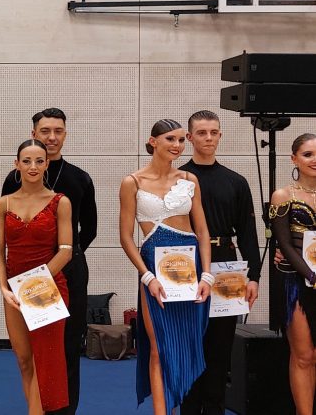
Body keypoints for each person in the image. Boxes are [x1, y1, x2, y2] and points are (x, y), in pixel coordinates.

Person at [0, 108, 96, 414]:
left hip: (68, 270)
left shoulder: (79, 178)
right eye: (45, 131)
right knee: (27, 354)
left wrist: (61, 260)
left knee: (67, 348)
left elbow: (90, 228)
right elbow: (8, 233)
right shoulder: (11, 182)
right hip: (22, 275)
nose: (52, 137)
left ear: (65, 134)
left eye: (58, 131)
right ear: (34, 134)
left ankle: (66, 411)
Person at [119, 119, 212, 414]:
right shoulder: (132, 182)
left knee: (187, 343)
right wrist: (147, 277)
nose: (177, 145)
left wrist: (207, 276)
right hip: (153, 271)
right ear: (153, 141)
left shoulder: (189, 179)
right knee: (158, 348)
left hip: (190, 269)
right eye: (170, 139)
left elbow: (203, 231)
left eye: (182, 140)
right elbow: (125, 237)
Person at [179, 110, 262, 415]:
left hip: (227, 265)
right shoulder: (178, 179)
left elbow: (248, 234)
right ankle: (189, 408)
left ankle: (214, 408)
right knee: (190, 345)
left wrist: (254, 277)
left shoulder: (236, 182)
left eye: (214, 132)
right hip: (187, 265)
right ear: (190, 137)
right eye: (202, 133)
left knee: (220, 346)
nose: (209, 138)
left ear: (220, 135)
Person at [0, 139, 72, 413]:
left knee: (44, 362)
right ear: (16, 164)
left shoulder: (60, 202)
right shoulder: (3, 204)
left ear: (47, 164)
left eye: (39, 161)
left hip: (48, 288)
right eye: (26, 161)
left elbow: (66, 251)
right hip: (13, 292)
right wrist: (4, 289)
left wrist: (36, 283)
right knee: (25, 361)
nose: (33, 166)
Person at [268, 132, 316, 415]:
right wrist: (311, 275)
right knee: (303, 355)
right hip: (295, 282)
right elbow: (284, 244)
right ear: (294, 159)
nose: (314, 160)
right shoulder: (283, 195)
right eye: (308, 154)